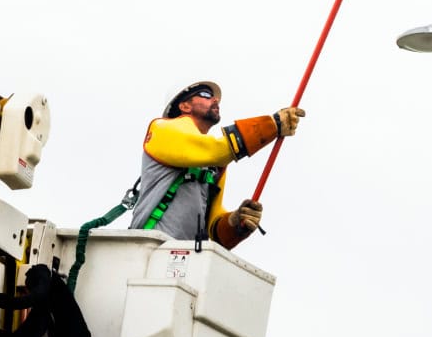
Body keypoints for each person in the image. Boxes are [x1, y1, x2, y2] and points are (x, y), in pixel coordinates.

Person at [128, 81, 304, 249]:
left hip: (183, 259)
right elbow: (215, 149)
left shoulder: (212, 165)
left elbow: (213, 228)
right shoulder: (162, 129)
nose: (215, 100)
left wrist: (235, 222)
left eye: (215, 97)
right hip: (148, 246)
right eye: (206, 95)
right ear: (184, 106)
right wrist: (271, 125)